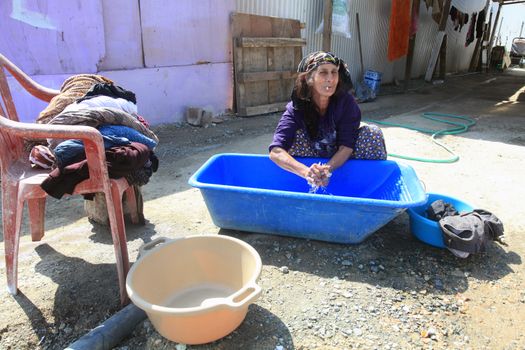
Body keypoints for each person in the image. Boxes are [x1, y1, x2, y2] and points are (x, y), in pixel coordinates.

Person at [269, 51, 387, 188]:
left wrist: (327, 169)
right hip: (312, 156)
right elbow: (276, 151)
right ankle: (295, 186)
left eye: (334, 72)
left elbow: (346, 147)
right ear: (309, 79)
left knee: (372, 134)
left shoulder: (346, 103)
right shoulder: (297, 107)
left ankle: (370, 188)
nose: (330, 78)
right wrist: (307, 172)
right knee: (295, 136)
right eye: (323, 72)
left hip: (343, 158)